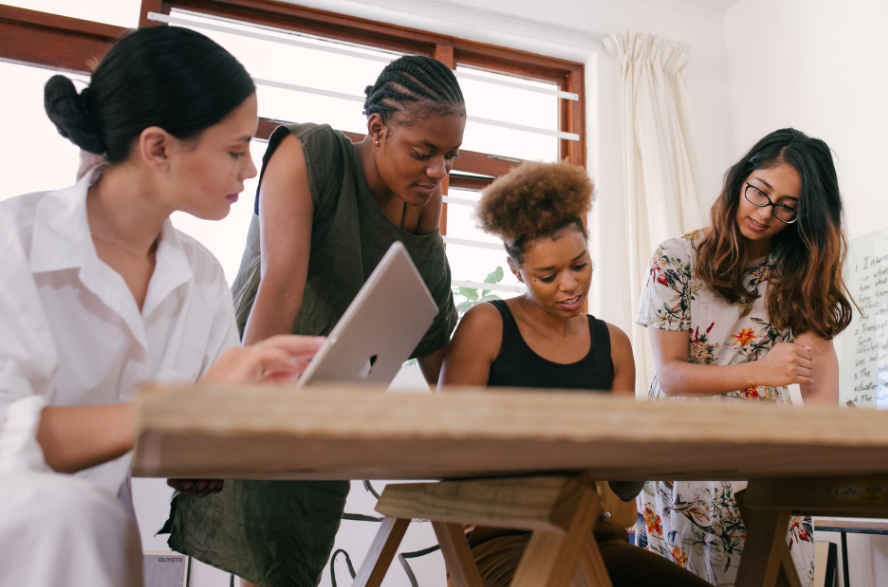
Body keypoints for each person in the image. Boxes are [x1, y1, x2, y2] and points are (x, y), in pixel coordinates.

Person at [0, 26, 326, 587]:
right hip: (37, 526)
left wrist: (208, 448)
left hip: (83, 532)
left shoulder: (199, 275)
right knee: (75, 515)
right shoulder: (14, 243)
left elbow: (194, 433)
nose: (250, 170)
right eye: (234, 149)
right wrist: (182, 411)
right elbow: (13, 438)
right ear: (157, 148)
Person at [166, 55, 466, 587]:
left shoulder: (423, 197)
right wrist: (233, 420)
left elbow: (429, 317)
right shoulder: (308, 153)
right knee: (258, 545)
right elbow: (280, 288)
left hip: (334, 396)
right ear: (377, 129)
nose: (438, 171)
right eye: (423, 152)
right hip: (264, 376)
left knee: (293, 562)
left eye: (450, 155)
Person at [439, 160, 712, 587]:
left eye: (580, 265)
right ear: (516, 270)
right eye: (547, 276)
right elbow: (442, 451)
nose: (570, 285)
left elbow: (624, 486)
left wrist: (644, 445)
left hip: (593, 536)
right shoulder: (486, 327)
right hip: (503, 541)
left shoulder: (613, 344)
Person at [636, 128, 854, 586]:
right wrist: (764, 370)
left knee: (777, 569)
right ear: (741, 179)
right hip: (682, 440)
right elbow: (672, 375)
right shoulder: (675, 258)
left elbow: (819, 368)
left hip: (763, 445)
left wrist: (825, 443)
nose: (764, 213)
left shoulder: (798, 269)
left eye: (786, 207)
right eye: (759, 192)